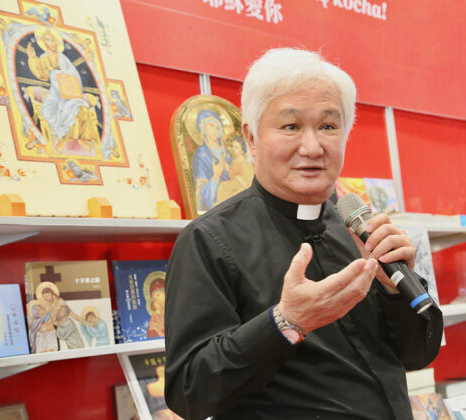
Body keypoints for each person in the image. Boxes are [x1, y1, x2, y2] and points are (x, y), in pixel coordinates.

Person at [164, 48, 443, 420]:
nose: (313, 147)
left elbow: (416, 355)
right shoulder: (207, 240)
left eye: (328, 126)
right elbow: (189, 392)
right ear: (251, 138)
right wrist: (286, 322)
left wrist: (394, 290)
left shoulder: (359, 227)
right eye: (290, 126)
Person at [191, 109, 233, 213]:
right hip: (218, 209)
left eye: (217, 127)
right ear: (203, 128)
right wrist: (216, 176)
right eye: (211, 126)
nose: (215, 130)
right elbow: (201, 198)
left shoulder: (228, 153)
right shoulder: (201, 155)